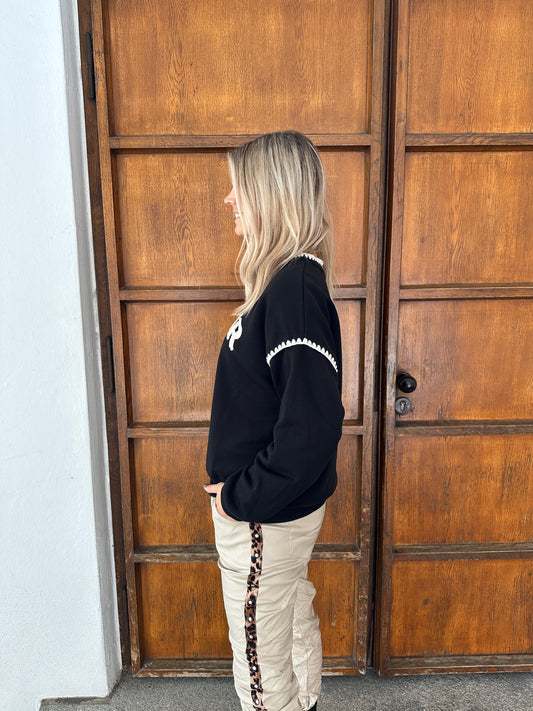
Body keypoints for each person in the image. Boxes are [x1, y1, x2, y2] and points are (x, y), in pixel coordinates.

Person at [204, 131, 344, 711]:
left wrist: (239, 498)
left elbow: (310, 429)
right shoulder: (288, 285)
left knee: (259, 666)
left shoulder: (294, 291)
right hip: (270, 514)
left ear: (271, 194)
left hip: (263, 518)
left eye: (238, 188)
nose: (229, 200)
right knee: (286, 624)